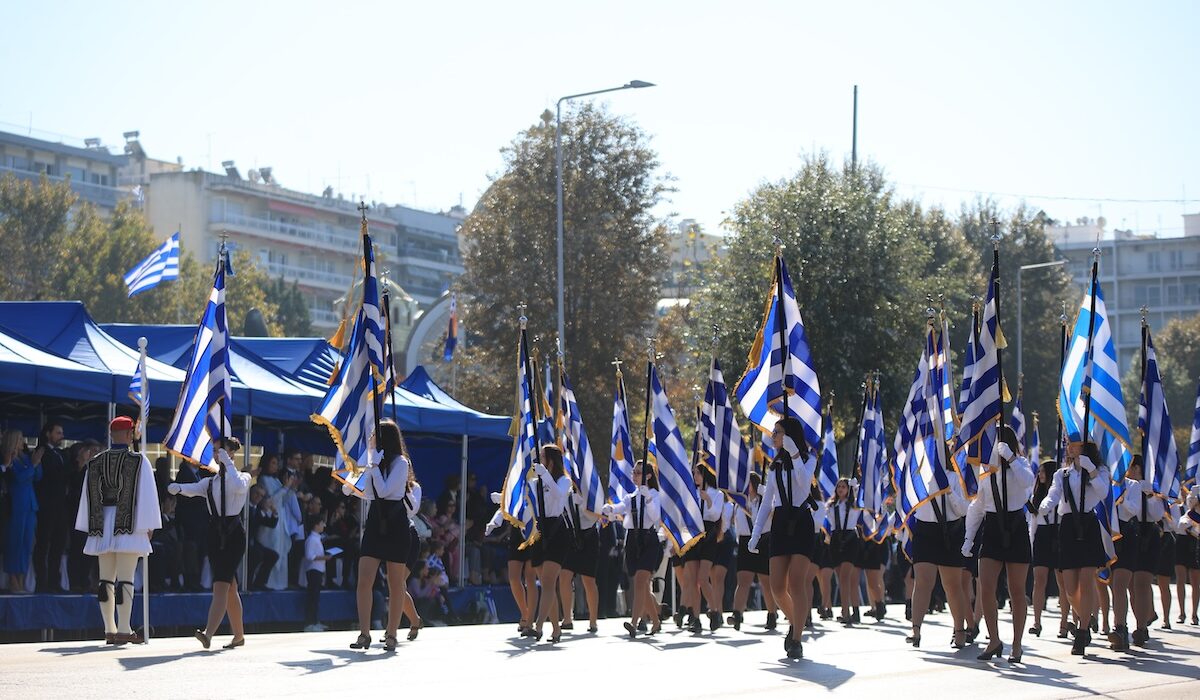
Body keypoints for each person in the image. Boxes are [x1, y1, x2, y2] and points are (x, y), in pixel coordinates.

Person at [74, 416, 162, 644]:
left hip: (102, 524)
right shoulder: (139, 461)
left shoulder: (95, 461)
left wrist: (91, 525)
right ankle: (124, 629)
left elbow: (88, 497)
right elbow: (147, 495)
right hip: (129, 524)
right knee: (125, 580)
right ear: (128, 434)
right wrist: (148, 524)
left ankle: (109, 629)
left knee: (105, 580)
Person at [169, 437, 251, 650]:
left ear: (232, 453)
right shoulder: (211, 482)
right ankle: (239, 636)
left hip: (233, 535)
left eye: (221, 451)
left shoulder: (243, 476)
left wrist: (229, 464)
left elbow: (237, 487)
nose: (217, 455)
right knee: (230, 587)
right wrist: (178, 487)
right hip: (215, 534)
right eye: (215, 451)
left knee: (221, 585)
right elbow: (195, 488)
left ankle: (208, 633)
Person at [961, 427, 1034, 663]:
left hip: (1015, 526)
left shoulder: (1021, 464)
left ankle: (1016, 643)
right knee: (986, 588)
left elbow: (1028, 483)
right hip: (992, 527)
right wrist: (969, 538)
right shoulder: (986, 471)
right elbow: (977, 507)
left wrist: (1011, 458)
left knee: (1016, 590)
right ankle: (993, 640)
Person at [748, 416, 817, 660]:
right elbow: (767, 502)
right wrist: (756, 532)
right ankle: (794, 621)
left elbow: (803, 484)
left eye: (777, 432)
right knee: (777, 588)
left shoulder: (809, 459)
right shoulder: (774, 466)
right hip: (779, 523)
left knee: (797, 583)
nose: (773, 436)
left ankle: (797, 638)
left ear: (789, 436)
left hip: (801, 521)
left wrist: (795, 454)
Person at [347, 420, 417, 652]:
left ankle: (391, 633)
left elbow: (387, 491)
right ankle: (364, 633)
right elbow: (368, 492)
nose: (371, 441)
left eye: (375, 437)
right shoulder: (374, 462)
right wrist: (352, 483)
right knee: (364, 579)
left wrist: (374, 466)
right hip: (376, 521)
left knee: (395, 583)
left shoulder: (401, 463)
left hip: (396, 522)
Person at [1037, 440, 1110, 655]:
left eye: (1074, 444)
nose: (1070, 447)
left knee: (1086, 581)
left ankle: (1082, 631)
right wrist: (1046, 504)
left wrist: (1091, 469)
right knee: (1070, 589)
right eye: (1069, 444)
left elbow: (1104, 493)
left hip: (1087, 524)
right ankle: (1086, 616)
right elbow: (1054, 492)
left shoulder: (1099, 471)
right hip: (1068, 526)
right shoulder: (1062, 473)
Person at [602, 460, 664, 638]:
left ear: (648, 476)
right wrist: (611, 508)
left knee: (640, 582)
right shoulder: (632, 496)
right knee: (642, 584)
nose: (634, 476)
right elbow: (623, 506)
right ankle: (656, 621)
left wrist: (649, 498)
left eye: (638, 473)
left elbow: (655, 517)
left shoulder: (654, 494)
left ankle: (634, 622)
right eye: (634, 473)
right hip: (632, 540)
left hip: (648, 539)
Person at [1108, 456, 1161, 650]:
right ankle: (1120, 626)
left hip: (1132, 534)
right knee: (1117, 585)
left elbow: (1134, 510)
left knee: (1135, 584)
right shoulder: (1108, 483)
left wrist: (1121, 499)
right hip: (1112, 534)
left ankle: (1138, 628)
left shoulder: (1134, 486)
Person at [525, 444, 572, 643]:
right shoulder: (537, 481)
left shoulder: (564, 481)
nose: (539, 460)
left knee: (548, 580)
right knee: (545, 582)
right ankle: (555, 628)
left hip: (557, 530)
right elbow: (528, 502)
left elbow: (558, 495)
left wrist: (545, 476)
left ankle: (538, 625)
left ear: (551, 460)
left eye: (543, 456)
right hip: (540, 529)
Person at [731, 472, 778, 630]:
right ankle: (737, 614)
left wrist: (766, 494)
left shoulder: (764, 501)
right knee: (743, 580)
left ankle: (772, 614)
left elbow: (772, 514)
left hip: (763, 540)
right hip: (745, 541)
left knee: (766, 582)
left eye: (748, 483)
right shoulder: (740, 503)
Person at [1029, 459, 1069, 639]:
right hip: (1042, 536)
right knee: (1039, 580)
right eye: (1040, 472)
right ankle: (1036, 622)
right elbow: (1034, 522)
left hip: (1058, 534)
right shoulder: (1036, 494)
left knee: (1062, 582)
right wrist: (1031, 542)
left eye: (1044, 471)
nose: (1041, 475)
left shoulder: (1059, 492)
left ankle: (1064, 622)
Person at [3, 429, 43, 593]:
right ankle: (13, 579)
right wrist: (32, 466)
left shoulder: (26, 457)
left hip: (30, 505)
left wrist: (36, 463)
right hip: (16, 505)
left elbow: (37, 477)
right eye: (19, 439)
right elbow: (18, 477)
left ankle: (21, 578)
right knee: (15, 543)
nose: (22, 441)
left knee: (27, 543)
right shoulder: (8, 458)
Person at [559, 484, 600, 634]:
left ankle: (593, 621)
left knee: (588, 580)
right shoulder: (565, 489)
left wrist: (582, 504)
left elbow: (595, 516)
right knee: (564, 577)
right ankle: (567, 618)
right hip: (572, 536)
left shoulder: (589, 490)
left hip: (588, 536)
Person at [32, 422, 68, 592]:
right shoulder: (43, 452)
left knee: (58, 545)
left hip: (60, 506)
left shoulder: (59, 453)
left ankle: (54, 581)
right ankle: (42, 582)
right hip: (46, 506)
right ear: (48, 434)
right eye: (58, 432)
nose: (61, 436)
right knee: (43, 545)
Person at [65, 440, 101, 593]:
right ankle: (76, 582)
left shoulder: (92, 470)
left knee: (89, 550)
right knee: (76, 549)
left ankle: (86, 580)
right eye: (88, 451)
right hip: (75, 514)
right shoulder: (72, 470)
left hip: (91, 515)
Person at [825, 477, 862, 627]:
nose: (841, 489)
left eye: (844, 487)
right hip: (836, 538)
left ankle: (847, 612)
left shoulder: (853, 504)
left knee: (846, 577)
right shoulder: (832, 505)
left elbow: (863, 499)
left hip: (850, 539)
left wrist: (855, 488)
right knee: (841, 579)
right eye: (839, 486)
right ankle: (847, 610)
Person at [694, 464, 726, 632]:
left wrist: (707, 499)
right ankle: (695, 616)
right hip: (695, 534)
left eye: (698, 473)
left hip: (709, 534)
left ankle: (715, 611)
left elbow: (714, 515)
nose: (695, 476)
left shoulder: (717, 493)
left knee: (703, 577)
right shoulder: (693, 492)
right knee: (693, 578)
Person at [255, 454, 291, 590]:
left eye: (277, 464)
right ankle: (265, 581)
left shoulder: (276, 480)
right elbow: (271, 499)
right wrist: (285, 488)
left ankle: (279, 582)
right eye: (273, 463)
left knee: (280, 548)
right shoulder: (263, 479)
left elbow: (283, 498)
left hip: (279, 517)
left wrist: (288, 488)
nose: (276, 466)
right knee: (272, 546)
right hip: (270, 517)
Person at [246, 485, 281, 590]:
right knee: (257, 554)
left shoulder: (258, 510)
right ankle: (247, 584)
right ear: (251, 493)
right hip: (242, 541)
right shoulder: (244, 507)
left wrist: (274, 512)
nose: (258, 497)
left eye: (261, 496)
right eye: (256, 493)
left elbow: (270, 524)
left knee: (273, 555)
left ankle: (260, 583)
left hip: (253, 542)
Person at [301, 513, 331, 632]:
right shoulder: (311, 539)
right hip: (313, 571)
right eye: (321, 523)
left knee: (316, 597)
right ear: (316, 525)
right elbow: (309, 556)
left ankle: (315, 621)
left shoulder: (317, 538)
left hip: (318, 570)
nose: (323, 525)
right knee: (312, 597)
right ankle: (309, 623)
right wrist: (324, 558)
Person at [1177, 487, 1200, 625]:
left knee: (1195, 582)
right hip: (1183, 543)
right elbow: (1181, 525)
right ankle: (1181, 613)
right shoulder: (1188, 514)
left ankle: (1194, 614)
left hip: (1196, 545)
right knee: (1181, 578)